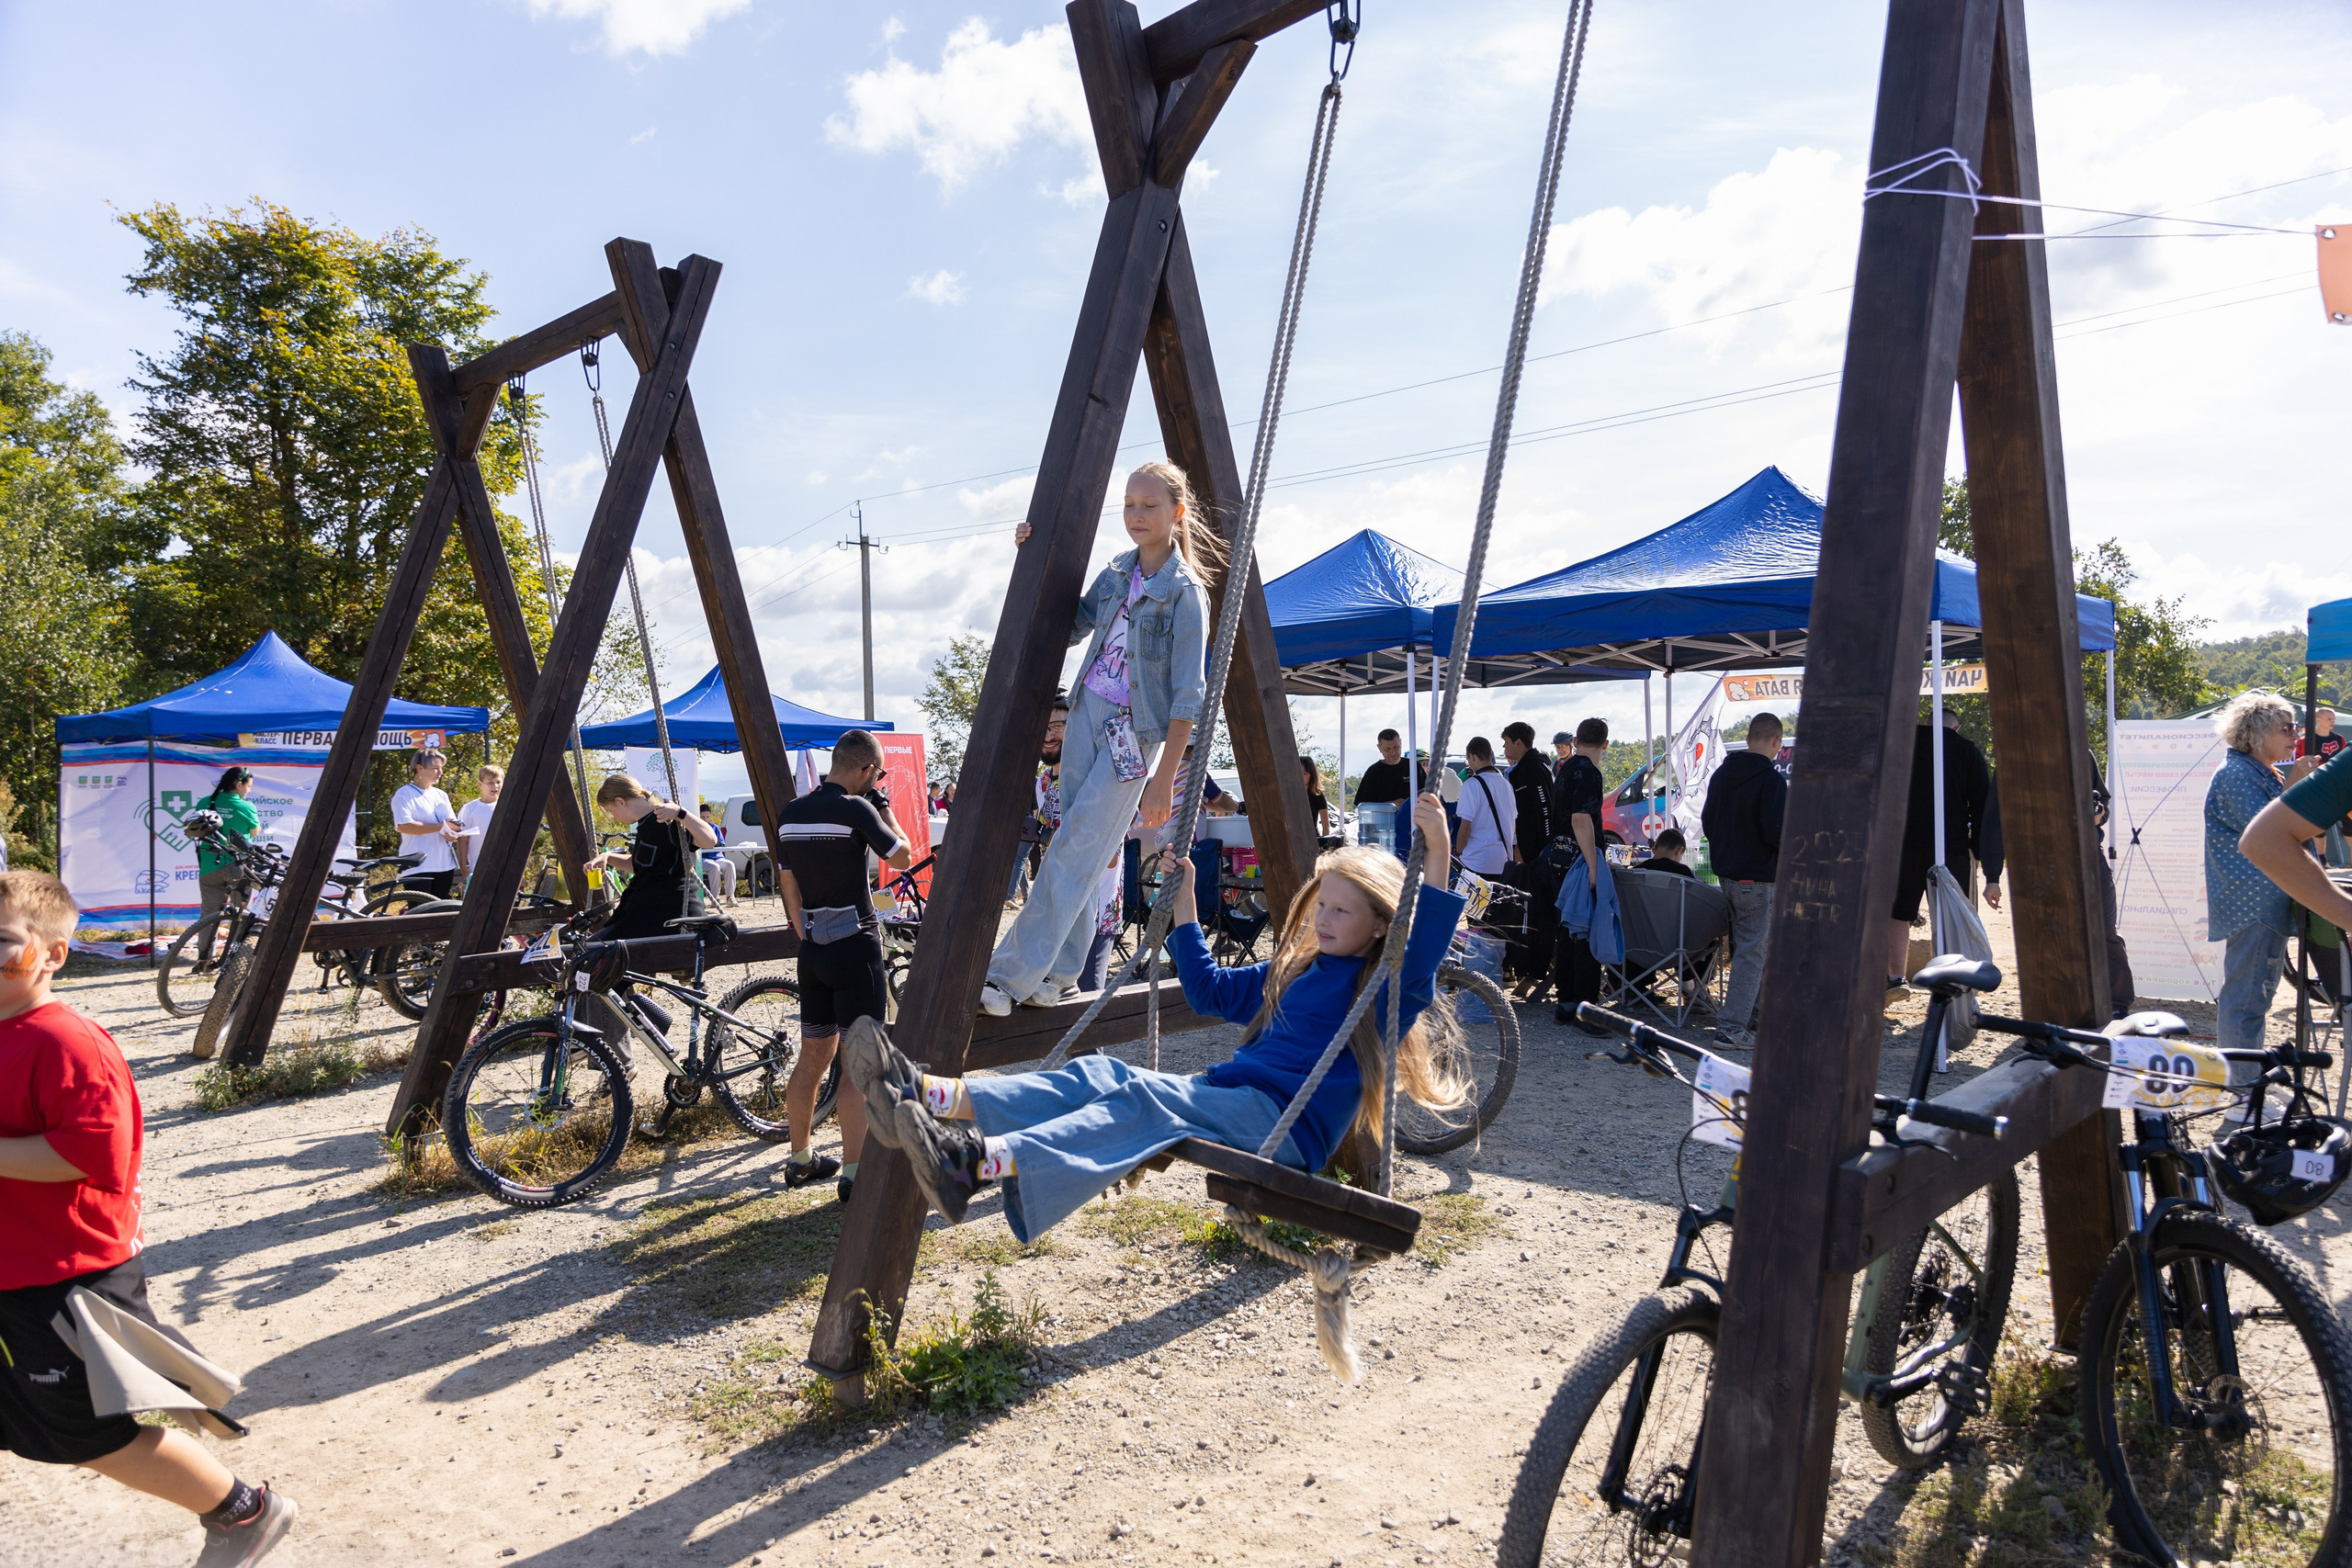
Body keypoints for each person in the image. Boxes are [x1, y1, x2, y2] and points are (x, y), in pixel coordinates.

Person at [842, 796, 1467, 1238]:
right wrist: (1188, 901)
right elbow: (1208, 990)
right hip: (1229, 1098)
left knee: (1139, 1105)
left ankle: (975, 1162)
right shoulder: (1295, 971)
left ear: (1381, 925)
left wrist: (1436, 848)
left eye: (1342, 912)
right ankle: (926, 1091)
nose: (1323, 919)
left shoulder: (1377, 989)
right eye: (1321, 905)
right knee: (1100, 1076)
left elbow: (1424, 951)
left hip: (1282, 1127)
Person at [0, 872, 296, 1564]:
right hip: (11, 1269)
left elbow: (85, 1155)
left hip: (65, 1276)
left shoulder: (67, 1041)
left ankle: (244, 1511)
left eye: (2, 943)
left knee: (91, 1433)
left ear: (53, 954)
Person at [985, 462, 1213, 1016]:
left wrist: (1163, 782)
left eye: (1150, 505)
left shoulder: (1185, 594)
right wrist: (1030, 559)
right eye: (1130, 504)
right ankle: (1061, 974)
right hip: (1086, 713)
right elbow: (1069, 626)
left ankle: (1008, 975)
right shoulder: (1116, 573)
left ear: (1177, 513)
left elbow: (1189, 696)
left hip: (1135, 735)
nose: (1136, 515)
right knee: (1082, 849)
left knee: (1071, 849)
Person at [772, 730, 911, 1202]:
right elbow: (903, 853)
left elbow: (787, 884)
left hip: (812, 948)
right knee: (857, 1065)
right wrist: (882, 805)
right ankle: (855, 1172)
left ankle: (800, 1158)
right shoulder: (858, 809)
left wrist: (805, 931)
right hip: (856, 946)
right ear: (870, 771)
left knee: (812, 1057)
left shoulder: (791, 813)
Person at [2202, 693, 2308, 1055]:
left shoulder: (2253, 771)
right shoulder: (2238, 775)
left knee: (2253, 998)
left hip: (2259, 900)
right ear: (2257, 732)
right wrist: (2300, 785)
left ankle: (2245, 1081)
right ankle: (2242, 1089)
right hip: (2253, 902)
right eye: (2287, 728)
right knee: (2247, 1001)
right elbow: (2272, 834)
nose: (2295, 734)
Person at [1885, 709, 2004, 1000]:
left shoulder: (1901, 746)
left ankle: (1895, 978)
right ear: (1956, 727)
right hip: (1950, 846)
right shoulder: (1966, 750)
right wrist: (1984, 860)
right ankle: (1951, 982)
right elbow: (1982, 809)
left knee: (1898, 913)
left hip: (1904, 842)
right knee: (1950, 914)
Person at [1701, 711, 1787, 1048]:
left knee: (1749, 947)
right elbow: (1776, 832)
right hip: (1757, 876)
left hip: (1726, 873)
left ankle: (1753, 1017)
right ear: (1777, 742)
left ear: (1749, 738)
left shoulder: (1722, 774)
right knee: (1753, 950)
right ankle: (1732, 1027)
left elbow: (1708, 822)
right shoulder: (1772, 781)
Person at [589, 773, 718, 942]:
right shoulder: (645, 824)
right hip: (645, 913)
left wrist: (681, 813)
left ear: (620, 801)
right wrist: (607, 857)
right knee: (592, 951)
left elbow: (710, 840)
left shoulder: (666, 818)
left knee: (596, 953)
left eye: (612, 811)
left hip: (667, 916)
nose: (614, 817)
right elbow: (641, 866)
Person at [1550, 717, 1611, 1032]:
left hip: (1559, 857)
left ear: (1575, 739)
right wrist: (1592, 864)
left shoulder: (1565, 769)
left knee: (1567, 931)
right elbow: (1580, 819)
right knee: (1586, 931)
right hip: (1578, 859)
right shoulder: (1589, 771)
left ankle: (1566, 1003)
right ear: (1605, 743)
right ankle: (1586, 1010)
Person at [1500, 722, 1555, 988]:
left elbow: (1545, 811)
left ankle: (1538, 972)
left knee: (1543, 914)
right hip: (1531, 855)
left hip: (1542, 857)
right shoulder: (1520, 770)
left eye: (1506, 742)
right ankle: (1531, 970)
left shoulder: (1534, 767)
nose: (1504, 747)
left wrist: (1544, 851)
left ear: (1519, 743)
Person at [189, 767, 259, 965]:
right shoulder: (246, 807)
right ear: (239, 785)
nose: (250, 791)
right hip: (239, 865)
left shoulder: (206, 802)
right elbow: (254, 833)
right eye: (249, 787)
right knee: (240, 912)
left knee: (209, 914)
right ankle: (234, 959)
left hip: (210, 865)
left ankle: (204, 959)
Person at [390, 750, 460, 899]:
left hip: (444, 864)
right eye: (435, 768)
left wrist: (452, 834)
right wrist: (440, 826)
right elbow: (404, 825)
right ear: (420, 768)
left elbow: (450, 824)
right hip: (417, 866)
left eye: (441, 768)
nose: (440, 772)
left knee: (440, 911)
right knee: (420, 913)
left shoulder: (441, 795)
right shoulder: (404, 794)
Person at [1452, 738, 1516, 879]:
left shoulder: (1471, 785)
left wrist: (1458, 853)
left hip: (1477, 862)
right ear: (1491, 756)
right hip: (1504, 862)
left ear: (1471, 757)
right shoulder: (1507, 785)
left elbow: (1465, 829)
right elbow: (1513, 824)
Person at [453, 764, 503, 889]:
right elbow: (463, 838)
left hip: (503, 865)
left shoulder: (507, 806)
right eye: (490, 783)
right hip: (478, 866)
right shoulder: (469, 809)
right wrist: (464, 866)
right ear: (480, 784)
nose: (495, 786)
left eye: (498, 782)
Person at [696, 801, 737, 906]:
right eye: (702, 817)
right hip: (703, 858)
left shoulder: (714, 828)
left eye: (707, 817)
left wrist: (712, 840)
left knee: (730, 865)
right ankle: (715, 897)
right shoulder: (695, 828)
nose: (705, 819)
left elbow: (721, 844)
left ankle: (730, 896)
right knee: (713, 867)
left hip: (716, 857)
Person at [1301, 756, 1333, 839]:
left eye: (1304, 773)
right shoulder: (1290, 795)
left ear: (1311, 775)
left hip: (1312, 839)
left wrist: (1325, 845)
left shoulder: (1318, 796)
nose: (1300, 776)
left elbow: (1326, 826)